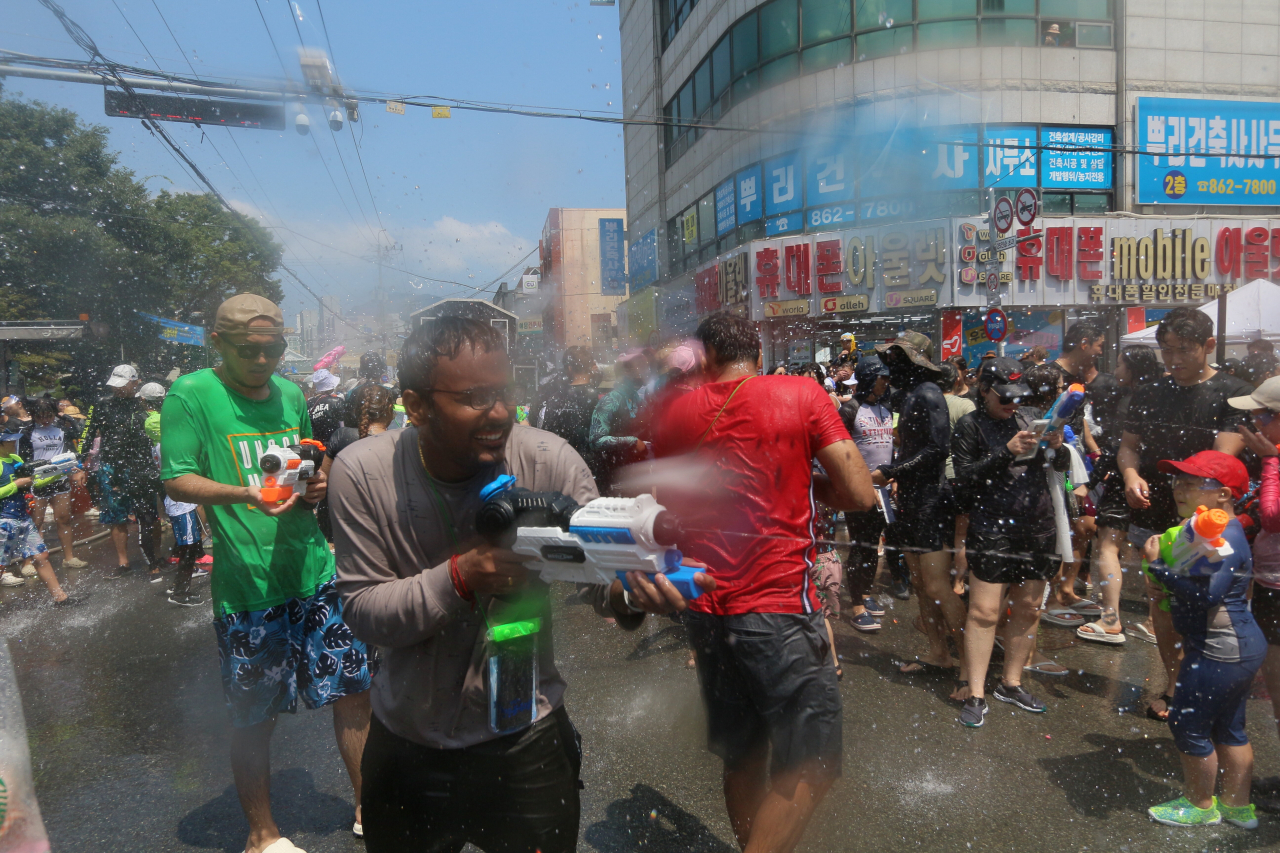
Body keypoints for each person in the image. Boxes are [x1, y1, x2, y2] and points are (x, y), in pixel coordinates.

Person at [328, 316, 704, 853]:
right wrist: (462, 575)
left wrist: (633, 590)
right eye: (474, 397)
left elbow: (602, 576)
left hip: (526, 741)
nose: (499, 413)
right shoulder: (364, 471)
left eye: (504, 393)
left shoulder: (549, 460)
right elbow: (364, 610)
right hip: (409, 744)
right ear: (415, 406)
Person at [652, 311, 874, 853]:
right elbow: (860, 493)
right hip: (777, 611)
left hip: (705, 608)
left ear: (704, 358)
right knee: (812, 762)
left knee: (743, 754)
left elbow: (668, 504)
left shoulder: (674, 412)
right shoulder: (800, 394)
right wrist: (808, 484)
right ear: (757, 352)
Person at [161, 294, 376, 853]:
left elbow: (307, 460)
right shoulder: (192, 395)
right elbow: (178, 478)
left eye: (273, 347)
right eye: (248, 349)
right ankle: (263, 834)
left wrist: (317, 484)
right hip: (249, 587)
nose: (262, 359)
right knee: (255, 714)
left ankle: (367, 805)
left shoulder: (289, 392)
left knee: (354, 689)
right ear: (218, 342)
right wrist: (243, 494)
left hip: (315, 569)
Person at [1118, 307, 1252, 720]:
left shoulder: (1233, 393)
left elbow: (1221, 462)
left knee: (1214, 610)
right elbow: (1129, 446)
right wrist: (1129, 474)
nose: (1173, 359)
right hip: (1156, 509)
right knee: (1161, 602)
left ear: (1209, 346)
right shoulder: (1149, 392)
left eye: (1183, 350)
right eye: (1166, 350)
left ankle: (1213, 692)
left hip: (1210, 520)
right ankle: (1176, 685)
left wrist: (1190, 500)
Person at [1141, 451, 1261, 829]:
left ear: (1223, 495)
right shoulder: (1207, 528)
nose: (1179, 489)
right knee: (1228, 727)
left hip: (1221, 648)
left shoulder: (1223, 534)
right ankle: (1237, 807)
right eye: (1177, 481)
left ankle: (1200, 804)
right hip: (1233, 646)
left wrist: (1159, 566)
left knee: (1188, 724)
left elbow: (1207, 595)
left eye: (1191, 483)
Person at [952, 358, 1070, 727]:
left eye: (1018, 397)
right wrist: (1006, 452)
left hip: (1038, 525)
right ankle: (975, 691)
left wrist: (1058, 446)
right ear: (984, 390)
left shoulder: (1030, 416)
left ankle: (1011, 682)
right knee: (984, 612)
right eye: (1004, 397)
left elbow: (1063, 471)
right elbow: (965, 479)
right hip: (992, 526)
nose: (1012, 404)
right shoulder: (970, 425)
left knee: (1029, 608)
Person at [874, 333, 967, 684]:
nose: (890, 365)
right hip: (910, 500)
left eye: (897, 359)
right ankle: (939, 652)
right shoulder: (910, 396)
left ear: (914, 362)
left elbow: (936, 451)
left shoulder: (929, 395)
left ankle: (967, 666)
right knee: (918, 582)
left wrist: (891, 472)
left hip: (929, 500)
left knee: (938, 586)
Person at [1079, 345, 1165, 647]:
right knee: (1155, 548)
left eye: (1119, 365)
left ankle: (1111, 619)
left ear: (1132, 368)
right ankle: (1158, 622)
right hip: (1156, 480)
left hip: (1122, 480)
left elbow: (1118, 447)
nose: (1115, 372)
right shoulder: (1161, 394)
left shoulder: (1131, 399)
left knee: (1108, 547)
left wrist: (1087, 481)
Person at [1233, 377, 1280, 764]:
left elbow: (1273, 517)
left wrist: (1270, 461)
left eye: (1262, 415)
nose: (1255, 424)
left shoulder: (1275, 457)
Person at [82, 364, 161, 578]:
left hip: (141, 464)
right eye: (114, 386)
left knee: (149, 515)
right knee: (116, 516)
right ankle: (123, 562)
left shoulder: (143, 403)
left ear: (135, 383)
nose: (117, 390)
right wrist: (80, 464)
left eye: (122, 386)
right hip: (111, 465)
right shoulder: (101, 404)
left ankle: (155, 556)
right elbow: (87, 433)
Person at [839, 354, 894, 633]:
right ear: (870, 378)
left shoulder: (885, 407)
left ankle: (867, 592)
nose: (886, 382)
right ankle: (857, 605)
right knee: (860, 546)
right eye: (882, 377)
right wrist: (859, 483)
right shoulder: (850, 410)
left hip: (883, 493)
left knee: (873, 544)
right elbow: (843, 453)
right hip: (858, 492)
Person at [17, 397, 87, 572]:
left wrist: (68, 417)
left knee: (64, 519)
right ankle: (28, 562)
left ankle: (69, 557)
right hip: (37, 481)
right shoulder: (27, 432)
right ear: (33, 415)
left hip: (59, 479)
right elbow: (22, 459)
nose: (45, 419)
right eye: (41, 416)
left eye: (48, 415)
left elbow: (77, 438)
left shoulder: (61, 429)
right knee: (36, 522)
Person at [0, 451, 76, 606]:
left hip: (23, 518)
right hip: (3, 520)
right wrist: (17, 484)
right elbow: (19, 484)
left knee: (41, 556)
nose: (14, 443)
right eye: (9, 439)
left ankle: (60, 598)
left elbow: (33, 483)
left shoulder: (15, 459)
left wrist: (61, 473)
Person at [589, 348, 650, 492]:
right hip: (615, 477)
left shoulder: (638, 399)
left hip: (637, 476)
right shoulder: (610, 400)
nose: (644, 373)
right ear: (626, 373)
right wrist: (632, 442)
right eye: (639, 369)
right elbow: (596, 440)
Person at [538, 346, 599, 465]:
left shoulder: (556, 398)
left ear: (569, 368)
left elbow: (547, 435)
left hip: (564, 463)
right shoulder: (600, 397)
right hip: (594, 464)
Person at [305, 368, 345, 446]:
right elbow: (342, 428)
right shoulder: (337, 401)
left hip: (316, 445)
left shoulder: (309, 403)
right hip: (334, 445)